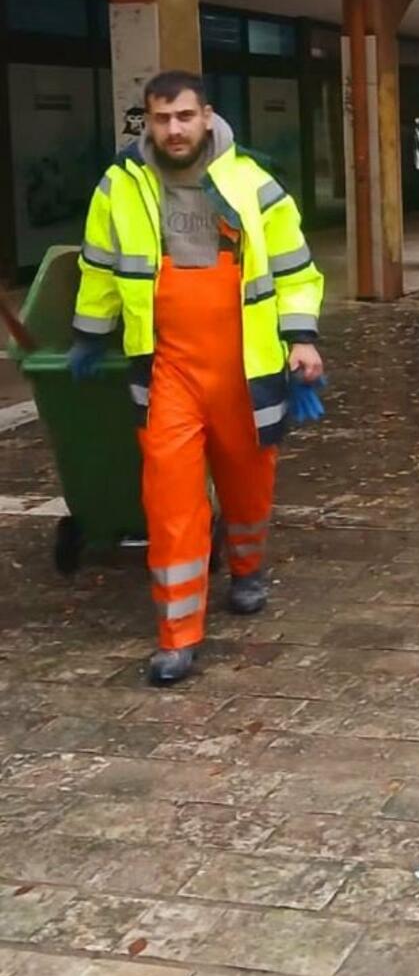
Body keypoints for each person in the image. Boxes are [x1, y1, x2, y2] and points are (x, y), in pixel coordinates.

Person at [70, 71, 324, 685]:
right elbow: (101, 265)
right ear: (146, 122)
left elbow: (294, 268)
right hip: (166, 370)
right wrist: (88, 332)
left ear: (207, 115)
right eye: (161, 118)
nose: (174, 129)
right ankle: (177, 635)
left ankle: (247, 568)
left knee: (247, 479)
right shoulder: (120, 187)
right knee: (170, 499)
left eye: (184, 116)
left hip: (243, 366)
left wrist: (303, 337)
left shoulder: (250, 183)